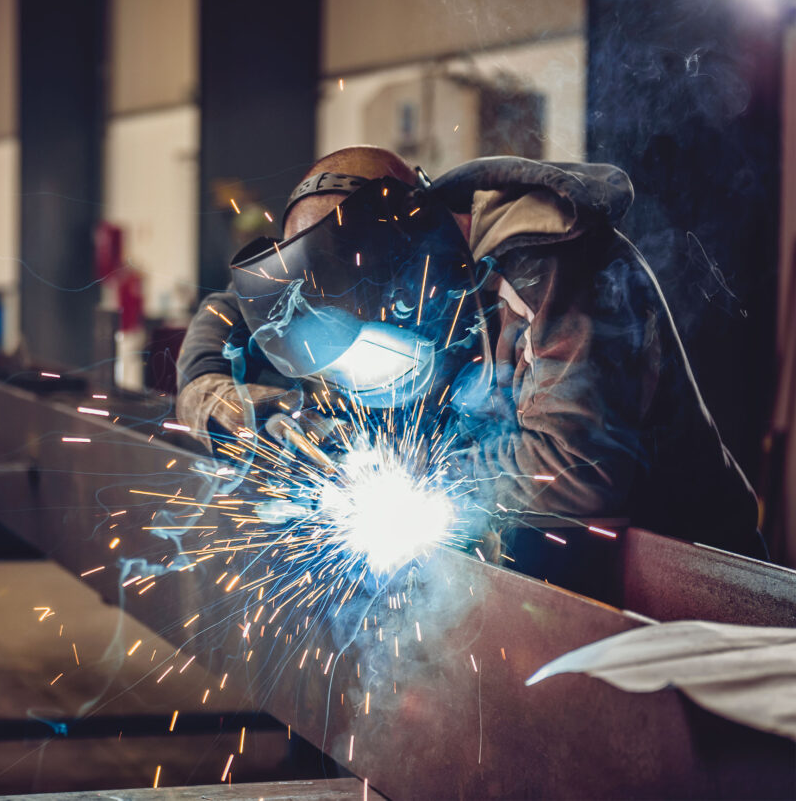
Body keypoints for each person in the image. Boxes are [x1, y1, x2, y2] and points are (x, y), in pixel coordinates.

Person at [176, 146, 766, 560]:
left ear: (408, 266)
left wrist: (409, 478)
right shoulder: (384, 267)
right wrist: (216, 394)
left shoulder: (551, 263)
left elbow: (574, 468)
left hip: (686, 582)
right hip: (553, 569)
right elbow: (228, 311)